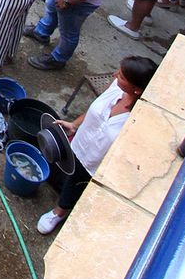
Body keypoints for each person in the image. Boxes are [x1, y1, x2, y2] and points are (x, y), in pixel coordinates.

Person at [35, 56, 159, 234]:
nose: (116, 75)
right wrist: (74, 125)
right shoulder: (115, 87)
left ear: (137, 90)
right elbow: (95, 109)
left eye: (122, 76)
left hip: (96, 161)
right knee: (64, 167)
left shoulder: (137, 118)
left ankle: (59, 212)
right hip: (80, 142)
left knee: (76, 184)